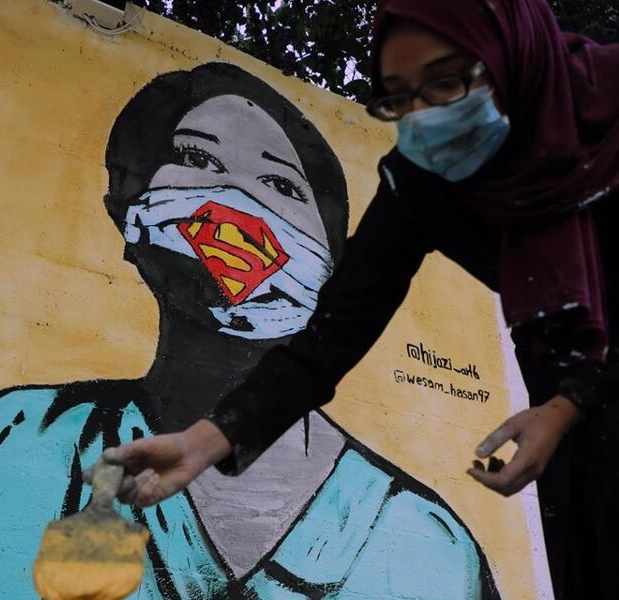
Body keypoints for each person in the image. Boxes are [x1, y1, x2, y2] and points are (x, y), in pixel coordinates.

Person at [0, 63, 497, 600]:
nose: (235, 201)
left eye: (279, 185)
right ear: (132, 212)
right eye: (197, 161)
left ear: (336, 271)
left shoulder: (428, 545)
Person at [102, 2, 619, 599]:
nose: (425, 118)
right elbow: (334, 331)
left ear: (513, 57)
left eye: (447, 82)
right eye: (400, 97)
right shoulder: (424, 177)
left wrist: (568, 405)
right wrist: (210, 438)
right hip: (574, 414)